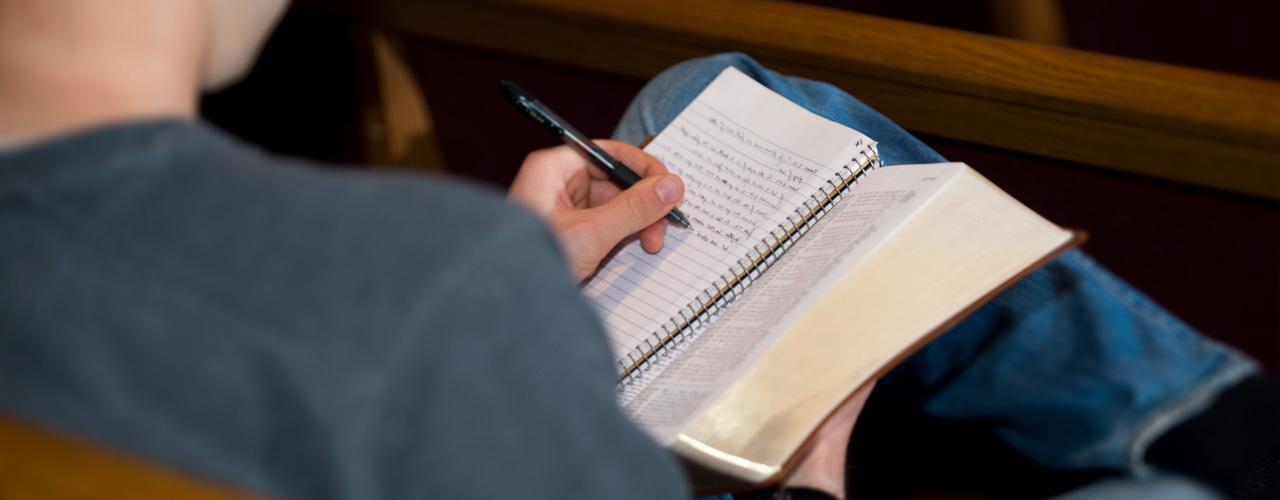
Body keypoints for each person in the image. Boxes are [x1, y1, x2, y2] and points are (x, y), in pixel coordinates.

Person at [0, 1, 1274, 499]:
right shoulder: (420, 285)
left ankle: (1190, 413)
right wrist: (810, 477)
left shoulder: (413, 276)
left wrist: (484, 267)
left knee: (701, 95)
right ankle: (1204, 432)